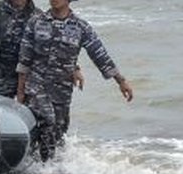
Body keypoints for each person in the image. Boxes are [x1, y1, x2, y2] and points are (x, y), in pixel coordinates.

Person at [16, 0, 132, 160]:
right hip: (36, 86)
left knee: (58, 131)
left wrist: (121, 81)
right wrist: (20, 92)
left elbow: (99, 55)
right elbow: (24, 59)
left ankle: (46, 170)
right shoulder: (36, 22)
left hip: (62, 91)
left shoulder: (80, 27)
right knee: (47, 119)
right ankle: (44, 168)